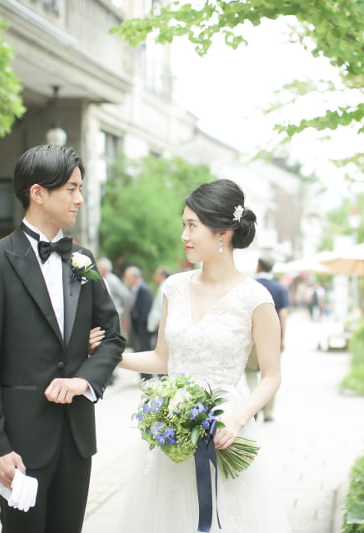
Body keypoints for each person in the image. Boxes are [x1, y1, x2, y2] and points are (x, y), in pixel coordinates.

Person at [109, 178, 291, 532]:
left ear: (222, 232)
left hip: (226, 430)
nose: (184, 236)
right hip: (171, 431)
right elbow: (163, 359)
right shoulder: (174, 288)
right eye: (184, 226)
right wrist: (114, 356)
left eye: (192, 226)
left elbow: (272, 375)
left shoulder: (255, 299)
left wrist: (238, 420)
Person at [0, 144, 125, 533]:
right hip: (20, 443)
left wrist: (83, 379)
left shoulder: (81, 260)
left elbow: (113, 338)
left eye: (80, 188)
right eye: (71, 189)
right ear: (38, 193)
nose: (80, 199)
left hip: (77, 439)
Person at [244, 256, 290, 422]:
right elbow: (283, 315)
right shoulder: (280, 288)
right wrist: (282, 338)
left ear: (258, 267)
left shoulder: (250, 286)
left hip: (252, 336)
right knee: (270, 374)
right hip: (272, 338)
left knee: (250, 372)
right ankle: (269, 412)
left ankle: (253, 405)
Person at [124, 265, 154, 379]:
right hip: (138, 328)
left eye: (128, 277)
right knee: (140, 351)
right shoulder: (135, 289)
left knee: (144, 352)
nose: (127, 280)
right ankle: (143, 377)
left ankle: (147, 378)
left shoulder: (143, 289)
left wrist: (142, 327)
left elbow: (145, 310)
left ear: (134, 278)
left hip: (143, 328)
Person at [98, 257, 131, 331]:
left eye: (98, 267)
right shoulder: (102, 279)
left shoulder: (112, 280)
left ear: (104, 269)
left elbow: (126, 296)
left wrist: (124, 314)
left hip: (114, 315)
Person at [146, 266, 171, 349]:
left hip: (160, 326)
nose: (154, 277)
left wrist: (160, 324)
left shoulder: (164, 286)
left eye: (156, 274)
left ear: (162, 276)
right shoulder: (166, 285)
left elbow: (162, 307)